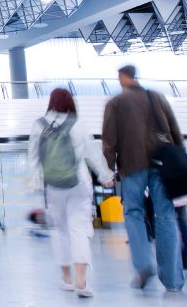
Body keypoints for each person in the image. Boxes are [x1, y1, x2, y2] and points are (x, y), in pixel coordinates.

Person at [102, 64, 184, 292]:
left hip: (132, 165)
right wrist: (181, 163)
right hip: (162, 164)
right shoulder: (156, 98)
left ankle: (143, 264)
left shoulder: (115, 103)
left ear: (122, 77)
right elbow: (175, 131)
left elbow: (109, 140)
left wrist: (107, 171)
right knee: (166, 216)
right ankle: (173, 281)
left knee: (133, 213)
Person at [31, 88, 114, 297]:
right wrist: (105, 176)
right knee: (79, 230)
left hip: (51, 186)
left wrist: (38, 183)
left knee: (59, 231)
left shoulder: (39, 125)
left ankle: (67, 279)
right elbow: (93, 154)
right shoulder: (77, 123)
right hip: (78, 183)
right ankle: (81, 281)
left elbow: (33, 158)